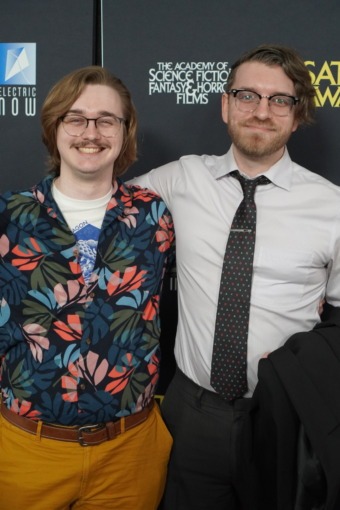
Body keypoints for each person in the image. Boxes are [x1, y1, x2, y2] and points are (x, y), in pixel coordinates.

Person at [132, 44, 340, 509]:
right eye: (247, 96)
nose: (261, 112)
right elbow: (98, 204)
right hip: (191, 411)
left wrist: (305, 363)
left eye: (278, 100)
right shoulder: (180, 178)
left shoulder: (333, 206)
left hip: (285, 417)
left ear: (297, 112)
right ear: (226, 104)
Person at [0, 66, 175, 510]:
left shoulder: (153, 214)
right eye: (75, 118)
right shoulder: (10, 216)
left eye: (106, 120)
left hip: (129, 451)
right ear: (54, 127)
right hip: (26, 449)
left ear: (125, 130)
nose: (90, 132)